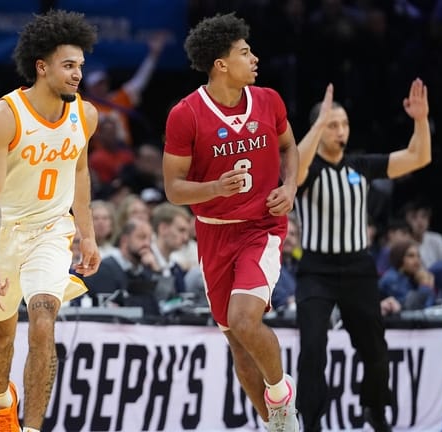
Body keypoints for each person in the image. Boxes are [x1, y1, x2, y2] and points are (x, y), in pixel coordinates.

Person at [163, 13, 300, 431]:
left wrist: (290, 186)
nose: (254, 58)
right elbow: (174, 189)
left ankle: (280, 393)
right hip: (214, 232)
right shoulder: (186, 114)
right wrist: (214, 188)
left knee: (244, 320)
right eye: (245, 52)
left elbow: (289, 147)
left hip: (262, 228)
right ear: (221, 64)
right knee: (239, 345)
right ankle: (277, 425)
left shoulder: (269, 100)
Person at [0, 10, 100, 432]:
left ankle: (32, 428)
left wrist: (87, 234)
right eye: (68, 65)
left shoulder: (86, 115)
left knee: (43, 322)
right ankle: (2, 400)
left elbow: (80, 171)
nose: (78, 74)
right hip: (1, 233)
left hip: (50, 231)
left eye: (80, 65)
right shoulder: (3, 116)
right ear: (42, 67)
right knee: (1, 334)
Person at [294, 80, 431, 432]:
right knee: (313, 348)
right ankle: (311, 423)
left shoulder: (361, 166)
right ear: (318, 129)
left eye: (344, 124)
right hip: (316, 271)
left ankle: (375, 409)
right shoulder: (307, 168)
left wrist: (420, 121)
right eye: (332, 125)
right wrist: (317, 124)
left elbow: (419, 157)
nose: (341, 131)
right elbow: (293, 171)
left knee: (375, 348)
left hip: (358, 268)